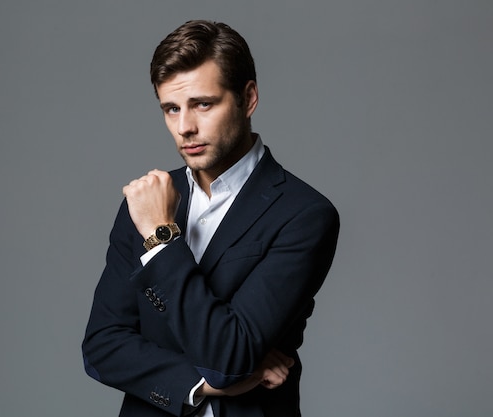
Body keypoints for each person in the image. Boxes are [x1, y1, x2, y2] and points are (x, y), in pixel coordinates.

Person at [82, 20, 339, 417]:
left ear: (248, 98)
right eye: (171, 108)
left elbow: (229, 357)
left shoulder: (304, 215)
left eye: (203, 103)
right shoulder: (145, 201)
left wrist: (160, 237)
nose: (185, 127)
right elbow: (102, 346)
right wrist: (205, 385)